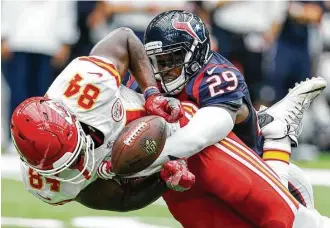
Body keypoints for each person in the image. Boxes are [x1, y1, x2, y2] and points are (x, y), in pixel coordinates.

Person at [10, 27, 191, 208]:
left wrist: (152, 93)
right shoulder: (45, 185)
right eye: (66, 166)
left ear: (70, 119)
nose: (77, 164)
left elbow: (124, 38)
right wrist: (163, 180)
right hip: (145, 163)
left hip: (148, 112)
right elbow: (121, 198)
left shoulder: (86, 85)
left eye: (76, 155)